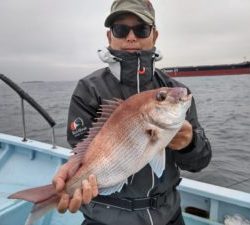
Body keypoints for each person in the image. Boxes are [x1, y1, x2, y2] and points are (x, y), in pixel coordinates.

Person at [53, 0, 212, 224]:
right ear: (110, 36)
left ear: (154, 35)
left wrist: (190, 143)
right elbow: (82, 150)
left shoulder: (175, 92)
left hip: (168, 215)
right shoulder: (88, 89)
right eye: (120, 29)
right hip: (104, 218)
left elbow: (200, 162)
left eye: (141, 29)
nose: (131, 37)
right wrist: (73, 174)